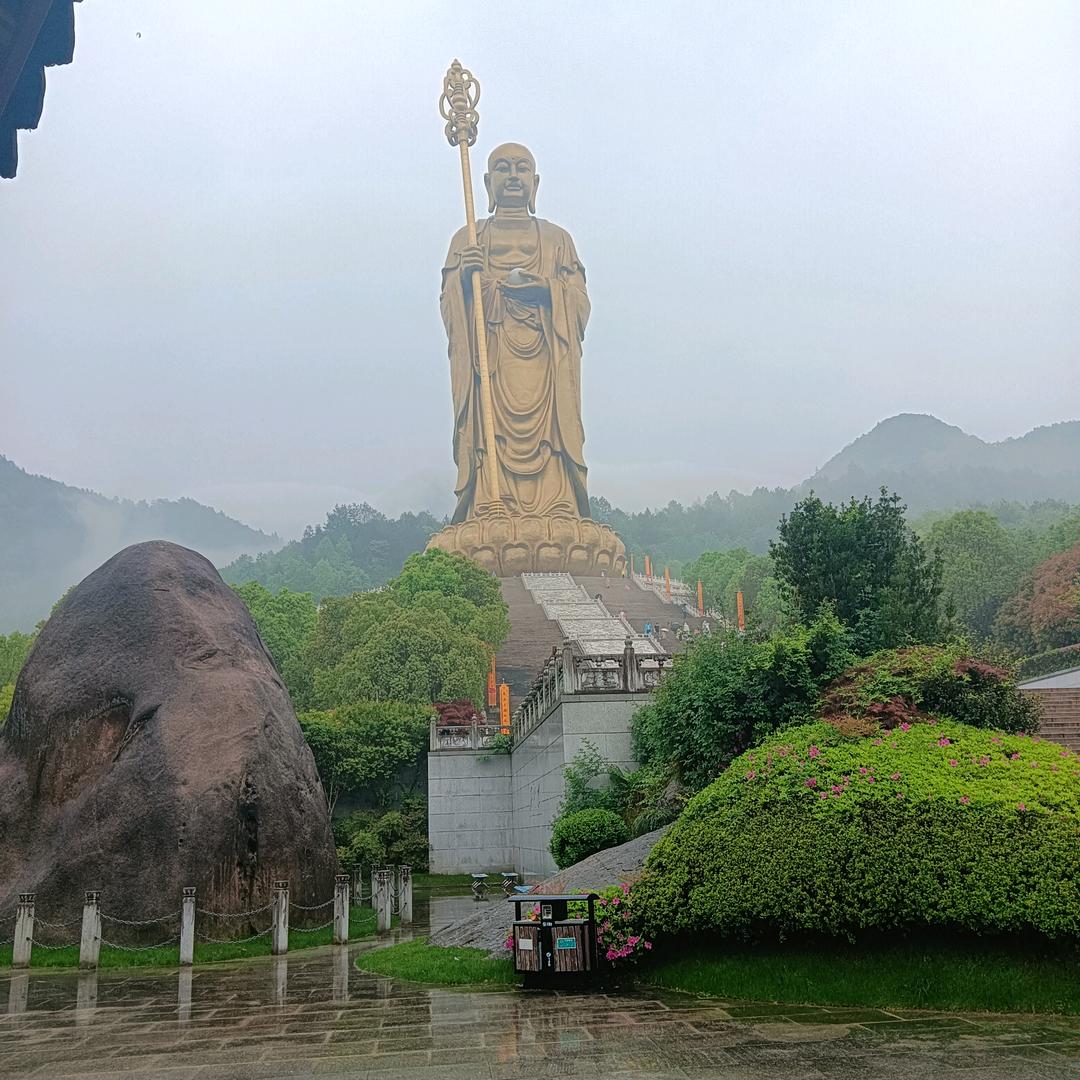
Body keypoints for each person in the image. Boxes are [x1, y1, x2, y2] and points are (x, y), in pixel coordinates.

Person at [440, 143, 590, 522]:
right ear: (488, 184)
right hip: (491, 359)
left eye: (521, 169)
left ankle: (559, 505)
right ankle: (492, 501)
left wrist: (549, 291)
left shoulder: (558, 241)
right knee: (491, 430)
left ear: (535, 183)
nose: (512, 177)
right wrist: (463, 280)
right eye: (503, 169)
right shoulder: (467, 240)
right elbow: (450, 311)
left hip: (546, 361)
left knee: (553, 431)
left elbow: (581, 302)